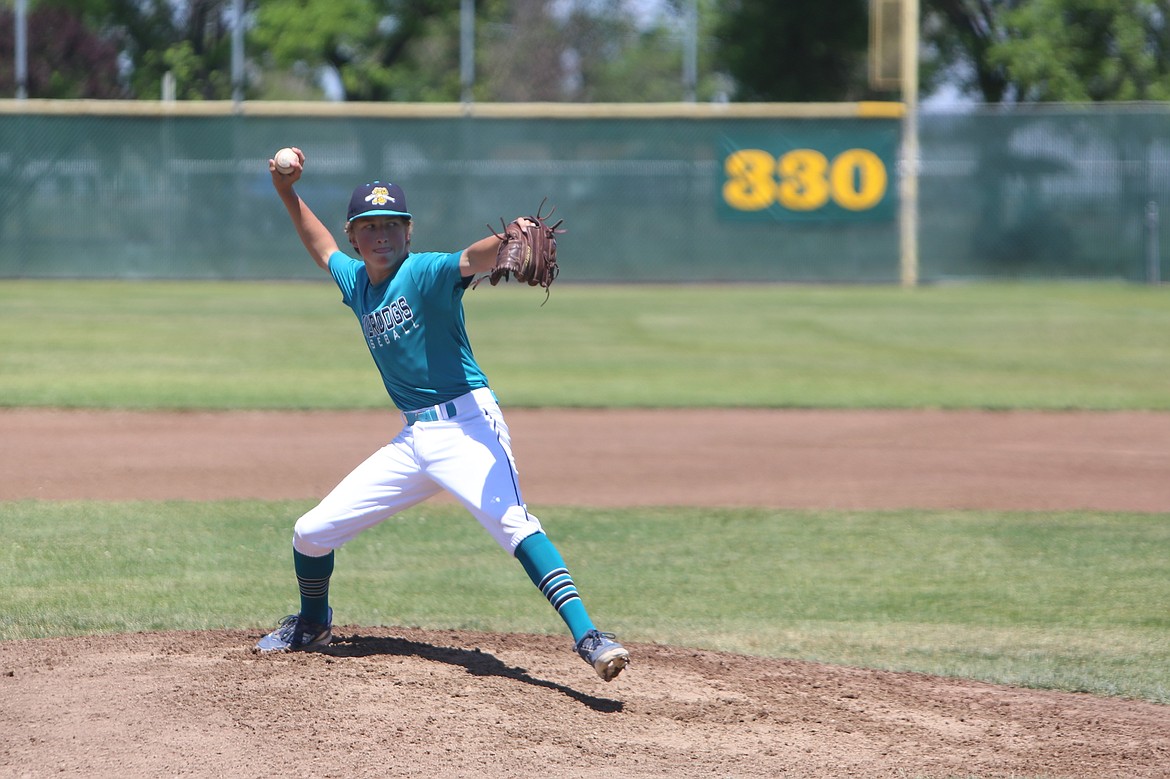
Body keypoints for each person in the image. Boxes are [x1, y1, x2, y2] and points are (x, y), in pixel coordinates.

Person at [255, 147, 630, 682]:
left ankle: (589, 636)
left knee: (515, 527)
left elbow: (469, 259)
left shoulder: (425, 271)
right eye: (370, 226)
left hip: (469, 427)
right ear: (355, 237)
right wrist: (286, 191)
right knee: (311, 532)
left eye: (392, 225)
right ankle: (313, 624)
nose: (381, 234)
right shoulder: (355, 281)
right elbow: (320, 247)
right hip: (414, 441)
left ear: (408, 233)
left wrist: (506, 241)